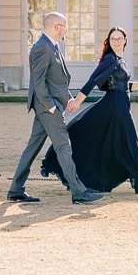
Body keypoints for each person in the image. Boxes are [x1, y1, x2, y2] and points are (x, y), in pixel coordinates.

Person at [40, 25, 138, 195]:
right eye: (113, 39)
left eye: (119, 39)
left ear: (125, 40)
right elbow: (92, 81)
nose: (116, 42)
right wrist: (77, 102)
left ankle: (135, 180)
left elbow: (123, 86)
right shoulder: (110, 59)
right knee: (130, 142)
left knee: (119, 143)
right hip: (114, 107)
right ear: (109, 42)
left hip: (121, 106)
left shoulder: (120, 60)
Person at [7, 12, 104, 205]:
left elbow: (57, 81)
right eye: (65, 26)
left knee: (33, 146)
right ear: (56, 27)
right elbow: (38, 82)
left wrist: (68, 99)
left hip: (50, 105)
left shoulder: (53, 46)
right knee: (63, 146)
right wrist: (51, 106)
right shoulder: (42, 48)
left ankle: (16, 189)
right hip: (47, 107)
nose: (66, 30)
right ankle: (78, 191)